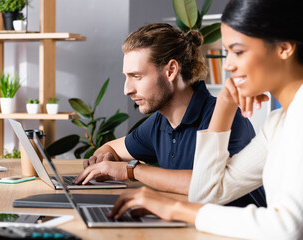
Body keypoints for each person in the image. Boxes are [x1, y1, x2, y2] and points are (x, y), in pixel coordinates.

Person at [108, 0, 303, 238]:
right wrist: (225, 104)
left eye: (238, 51)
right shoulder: (278, 123)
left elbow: (287, 228)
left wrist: (173, 208)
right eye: (228, 52)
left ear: (284, 48)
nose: (228, 65)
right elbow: (206, 193)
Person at [73, 23, 266, 207]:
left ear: (171, 70)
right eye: (127, 77)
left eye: (137, 76)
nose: (127, 89)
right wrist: (99, 161)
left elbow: (206, 186)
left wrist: (131, 170)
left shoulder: (225, 117)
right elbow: (111, 148)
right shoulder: (159, 123)